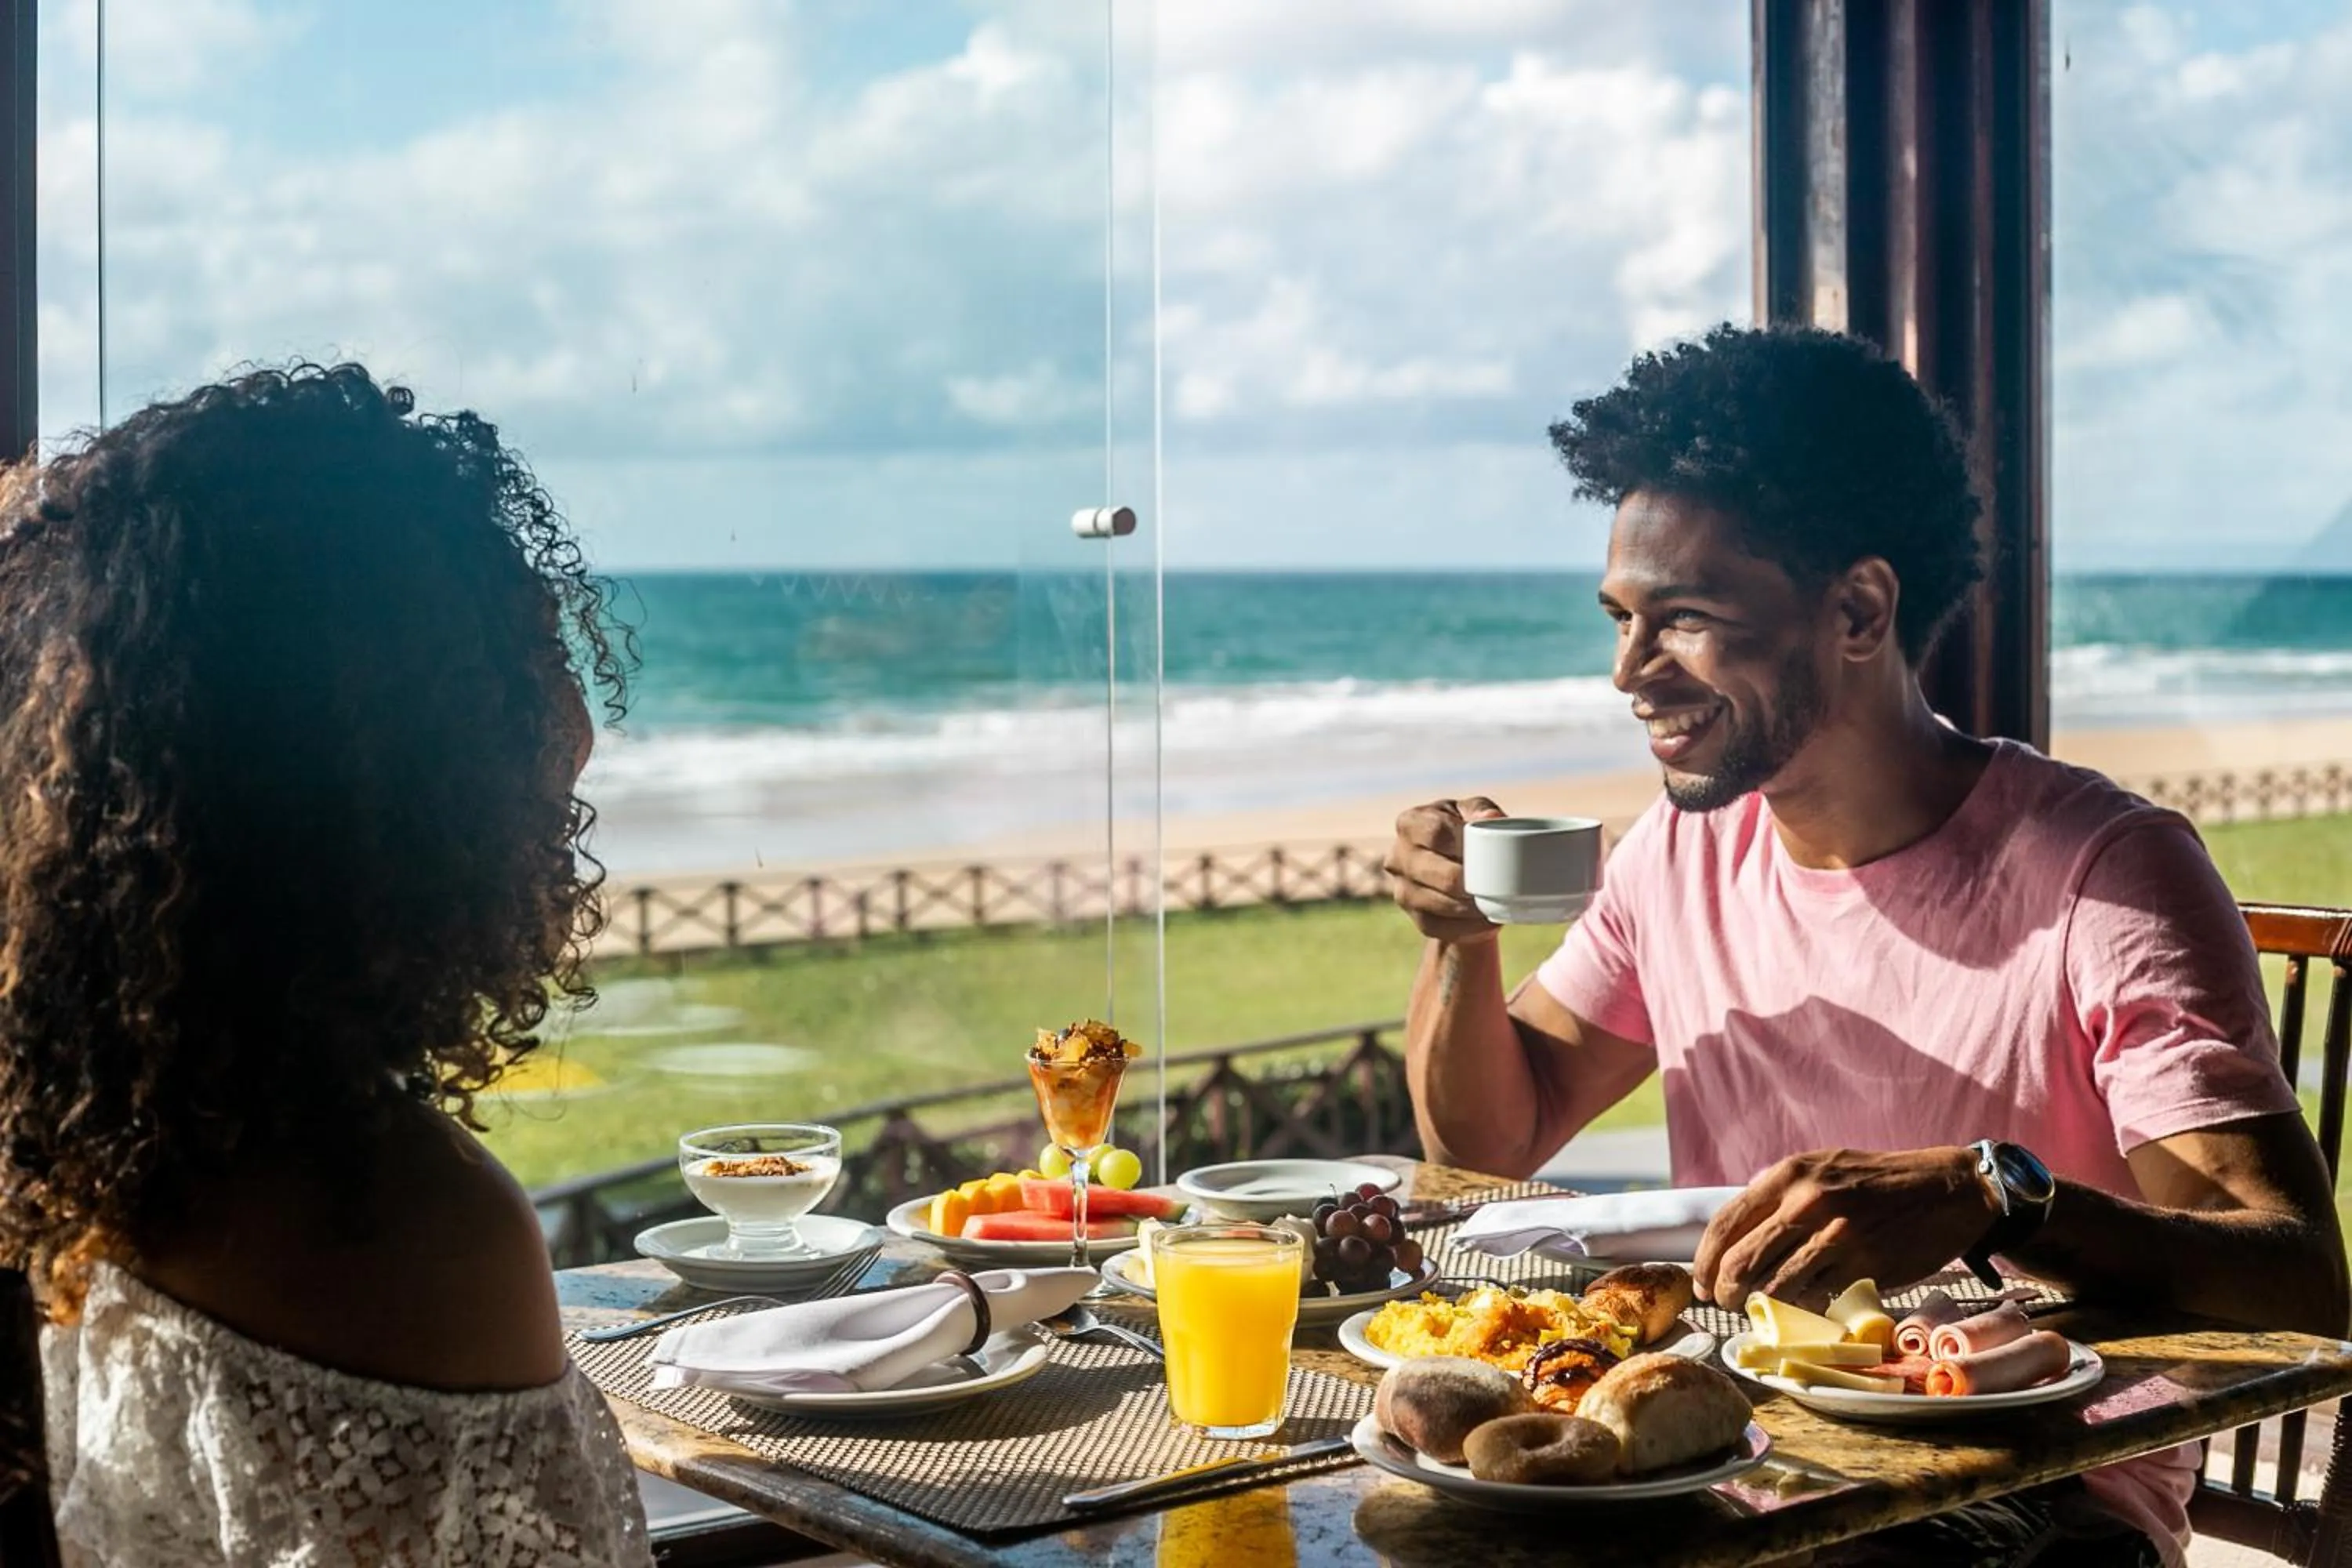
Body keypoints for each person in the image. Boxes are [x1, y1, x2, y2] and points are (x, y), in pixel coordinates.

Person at [1387, 325, 2347, 1567]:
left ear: (1857, 608)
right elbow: (1490, 1140)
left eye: (1681, 620)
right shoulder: (1677, 856)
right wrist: (1459, 940)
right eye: (1621, 617)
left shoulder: (2105, 872)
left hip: (2032, 1494)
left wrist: (1997, 1198)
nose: (1630, 670)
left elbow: (2299, 1280)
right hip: (1735, 1456)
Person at [0, 365, 654, 1565]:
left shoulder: (89, 1163)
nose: (575, 716)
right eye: (516, 657)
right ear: (387, 772)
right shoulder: (409, 1229)